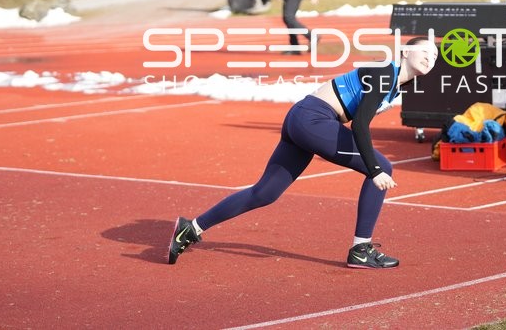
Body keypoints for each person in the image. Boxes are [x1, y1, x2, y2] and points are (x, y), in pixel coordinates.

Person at [167, 37, 439, 267]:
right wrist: (375, 169)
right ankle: (361, 249)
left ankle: (190, 228)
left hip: (304, 118)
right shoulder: (384, 71)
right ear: (405, 51)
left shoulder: (397, 84)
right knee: (382, 167)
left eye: (435, 55)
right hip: (314, 119)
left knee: (265, 193)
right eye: (425, 51)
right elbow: (360, 125)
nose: (431, 57)